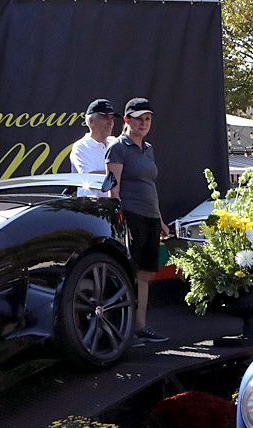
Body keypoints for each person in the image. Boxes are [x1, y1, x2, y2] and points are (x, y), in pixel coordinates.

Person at [106, 97, 170, 345]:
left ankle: (141, 327)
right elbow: (113, 188)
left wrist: (161, 221)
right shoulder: (118, 148)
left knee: (145, 275)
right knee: (130, 274)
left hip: (151, 217)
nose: (144, 123)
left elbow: (149, 186)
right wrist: (121, 222)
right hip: (130, 216)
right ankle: (124, 330)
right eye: (139, 118)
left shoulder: (149, 148)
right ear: (126, 120)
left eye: (148, 119)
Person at [69, 99, 118, 197]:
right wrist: (121, 173)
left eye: (111, 118)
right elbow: (91, 177)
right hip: (91, 208)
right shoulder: (81, 146)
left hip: (116, 206)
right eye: (105, 117)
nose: (110, 122)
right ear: (91, 121)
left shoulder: (115, 143)